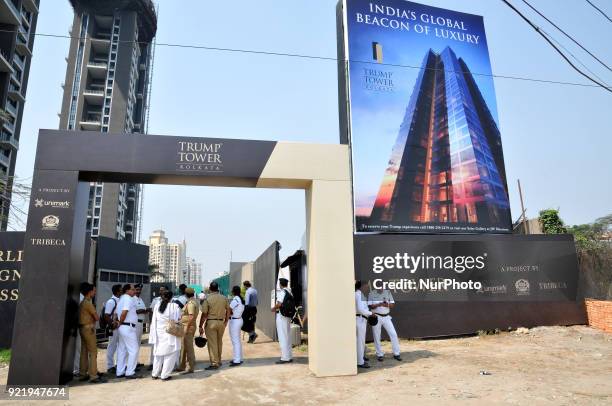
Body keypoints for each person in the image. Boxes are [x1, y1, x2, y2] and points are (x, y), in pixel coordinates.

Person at [149, 290, 181, 381]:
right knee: (170, 354)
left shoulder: (156, 306)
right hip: (169, 333)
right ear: (171, 297)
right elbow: (178, 319)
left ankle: (154, 374)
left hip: (158, 333)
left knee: (158, 354)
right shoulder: (174, 306)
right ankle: (165, 375)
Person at [78, 283, 106, 383]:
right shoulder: (88, 303)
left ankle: (82, 374)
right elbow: (97, 317)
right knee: (93, 352)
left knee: (84, 352)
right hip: (89, 329)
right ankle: (93, 375)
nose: (95, 292)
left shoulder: (82, 302)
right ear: (89, 292)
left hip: (82, 329)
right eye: (94, 291)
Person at [199, 281, 230, 370]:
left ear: (210, 289)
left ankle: (214, 363)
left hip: (211, 323)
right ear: (218, 288)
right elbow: (228, 310)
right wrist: (226, 321)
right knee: (219, 342)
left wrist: (200, 325)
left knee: (212, 343)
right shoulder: (224, 298)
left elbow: (204, 314)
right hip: (221, 323)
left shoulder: (207, 299)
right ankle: (219, 361)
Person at [368, 288, 402, 362]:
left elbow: (392, 305)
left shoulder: (388, 293)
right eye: (379, 286)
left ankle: (397, 353)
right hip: (376, 316)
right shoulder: (371, 294)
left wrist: (387, 305)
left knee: (393, 334)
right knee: (377, 336)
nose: (381, 288)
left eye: (382, 286)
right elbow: (370, 306)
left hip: (386, 317)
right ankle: (379, 354)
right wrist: (379, 304)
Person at [116, 283, 141, 379]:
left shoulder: (122, 298)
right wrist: (120, 322)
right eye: (133, 289)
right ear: (127, 290)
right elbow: (124, 312)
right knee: (134, 349)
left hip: (123, 327)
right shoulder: (127, 298)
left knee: (122, 350)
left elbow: (116, 313)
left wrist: (118, 322)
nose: (135, 291)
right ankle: (130, 372)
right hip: (127, 327)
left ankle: (120, 371)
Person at [177, 287, 199, 374]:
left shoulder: (190, 303)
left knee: (188, 347)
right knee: (184, 347)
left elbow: (191, 316)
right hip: (187, 326)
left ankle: (191, 367)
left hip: (188, 327)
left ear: (186, 294)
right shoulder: (194, 301)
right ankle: (182, 366)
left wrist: (186, 328)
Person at [272, 278, 293, 364]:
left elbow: (279, 303)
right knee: (287, 336)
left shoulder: (282, 292)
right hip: (288, 316)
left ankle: (284, 357)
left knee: (282, 336)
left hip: (282, 316)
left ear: (280, 284)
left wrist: (273, 308)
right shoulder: (290, 292)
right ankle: (289, 356)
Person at [148, 285, 168, 370]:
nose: (161, 292)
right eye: (160, 290)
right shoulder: (155, 300)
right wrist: (151, 324)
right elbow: (151, 312)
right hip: (156, 326)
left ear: (166, 291)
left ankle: (164, 364)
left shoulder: (171, 301)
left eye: (162, 290)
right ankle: (152, 363)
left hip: (166, 327)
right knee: (154, 345)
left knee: (165, 345)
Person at [355, 280, 373, 369]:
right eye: (366, 286)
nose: (368, 287)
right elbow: (360, 309)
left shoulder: (358, 294)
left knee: (359, 341)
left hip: (360, 319)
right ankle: (360, 362)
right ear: (361, 286)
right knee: (360, 342)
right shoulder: (358, 294)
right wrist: (371, 313)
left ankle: (360, 358)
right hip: (360, 319)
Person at [104, 284, 122, 373]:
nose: (122, 291)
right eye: (121, 290)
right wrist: (112, 324)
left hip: (119, 326)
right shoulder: (111, 301)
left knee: (119, 346)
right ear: (118, 291)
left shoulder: (119, 300)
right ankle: (110, 366)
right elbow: (106, 315)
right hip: (114, 327)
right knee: (112, 346)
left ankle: (118, 364)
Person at [73, 282, 88, 377]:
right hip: (80, 326)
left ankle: (80, 369)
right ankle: (77, 370)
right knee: (79, 349)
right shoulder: (80, 298)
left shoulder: (81, 298)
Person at [229, 285, 245, 366]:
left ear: (233, 291)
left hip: (235, 321)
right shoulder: (241, 299)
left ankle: (237, 360)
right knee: (237, 341)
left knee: (235, 341)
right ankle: (238, 358)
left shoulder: (235, 299)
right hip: (239, 319)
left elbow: (229, 309)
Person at [134, 284, 148, 369]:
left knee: (138, 343)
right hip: (135, 323)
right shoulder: (132, 299)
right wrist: (144, 310)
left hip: (140, 323)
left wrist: (145, 310)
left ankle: (136, 361)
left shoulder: (140, 299)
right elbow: (134, 311)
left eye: (140, 290)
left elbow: (143, 310)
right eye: (137, 289)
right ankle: (132, 363)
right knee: (134, 343)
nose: (139, 291)